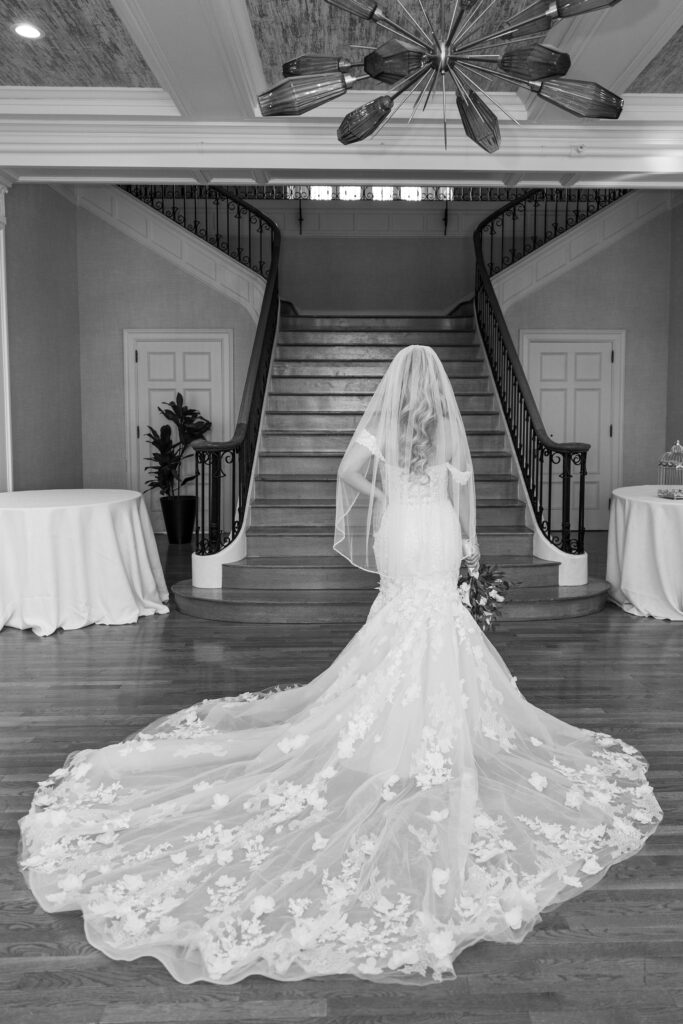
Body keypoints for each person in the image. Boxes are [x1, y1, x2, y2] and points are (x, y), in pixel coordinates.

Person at [19, 345, 662, 986]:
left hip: (401, 528)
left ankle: (394, 727)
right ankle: (432, 732)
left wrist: (388, 489)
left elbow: (348, 474)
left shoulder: (385, 427)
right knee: (436, 617)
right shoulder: (443, 427)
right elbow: (462, 500)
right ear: (433, 390)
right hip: (433, 528)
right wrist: (470, 549)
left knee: (401, 614)